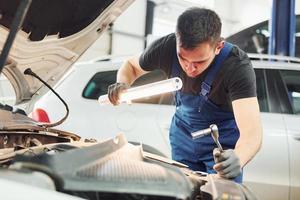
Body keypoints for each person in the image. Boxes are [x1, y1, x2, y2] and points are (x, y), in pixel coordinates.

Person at [107, 7, 262, 183]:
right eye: (182, 58)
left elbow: (252, 134)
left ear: (218, 46)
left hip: (221, 148)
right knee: (182, 191)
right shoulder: (165, 47)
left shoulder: (237, 66)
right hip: (182, 139)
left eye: (199, 62)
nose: (189, 68)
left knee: (220, 193)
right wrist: (122, 83)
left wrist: (239, 158)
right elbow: (131, 66)